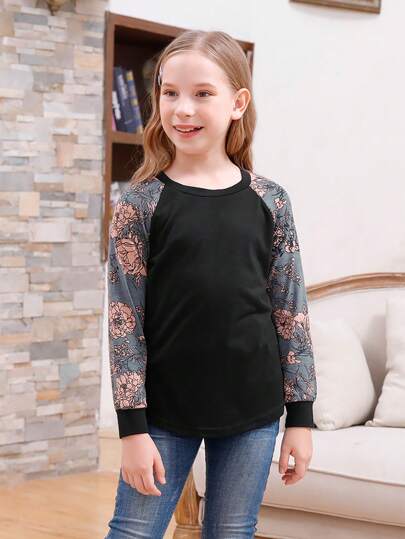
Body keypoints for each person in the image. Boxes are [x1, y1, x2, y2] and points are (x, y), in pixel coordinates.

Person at [105, 28, 317, 539]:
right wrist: (132, 430)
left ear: (237, 103)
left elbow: (290, 312)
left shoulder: (271, 200)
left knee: (231, 532)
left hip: (253, 411)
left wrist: (300, 418)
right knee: (132, 532)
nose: (183, 109)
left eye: (202, 93)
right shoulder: (139, 204)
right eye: (170, 93)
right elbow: (123, 323)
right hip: (162, 413)